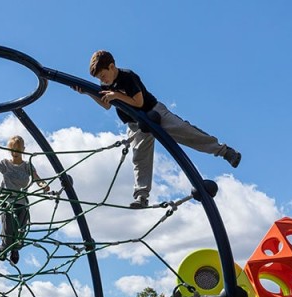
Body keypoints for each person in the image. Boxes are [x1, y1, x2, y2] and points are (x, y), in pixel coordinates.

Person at [76, 50, 242, 209]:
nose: (103, 81)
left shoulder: (127, 76)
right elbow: (106, 104)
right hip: (135, 125)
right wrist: (88, 93)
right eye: (99, 79)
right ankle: (141, 196)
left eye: (103, 75)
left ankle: (225, 151)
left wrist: (117, 95)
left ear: (112, 67)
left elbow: (138, 103)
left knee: (185, 131)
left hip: (153, 112)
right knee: (140, 157)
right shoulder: (106, 83)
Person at [0, 135, 50, 264]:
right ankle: (4, 247)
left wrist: (44, 185)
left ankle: (15, 248)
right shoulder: (5, 164)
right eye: (12, 149)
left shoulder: (27, 166)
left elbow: (37, 179)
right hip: (7, 200)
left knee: (21, 228)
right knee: (8, 225)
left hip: (21, 200)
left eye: (18, 149)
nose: (15, 152)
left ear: (23, 149)